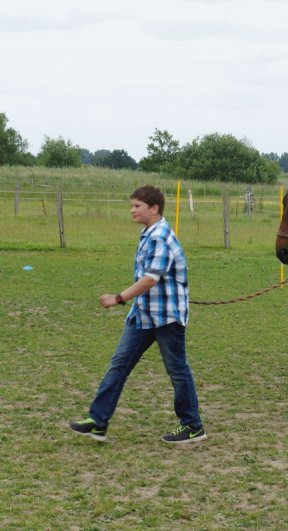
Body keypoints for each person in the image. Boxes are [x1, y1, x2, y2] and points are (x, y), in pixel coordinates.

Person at [69, 185, 206, 444]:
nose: (132, 210)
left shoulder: (160, 236)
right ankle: (98, 421)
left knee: (177, 370)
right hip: (143, 315)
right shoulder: (149, 233)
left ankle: (193, 425)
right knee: (119, 364)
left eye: (137, 206)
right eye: (132, 205)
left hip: (166, 317)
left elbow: (151, 278)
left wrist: (118, 298)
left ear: (154, 208)